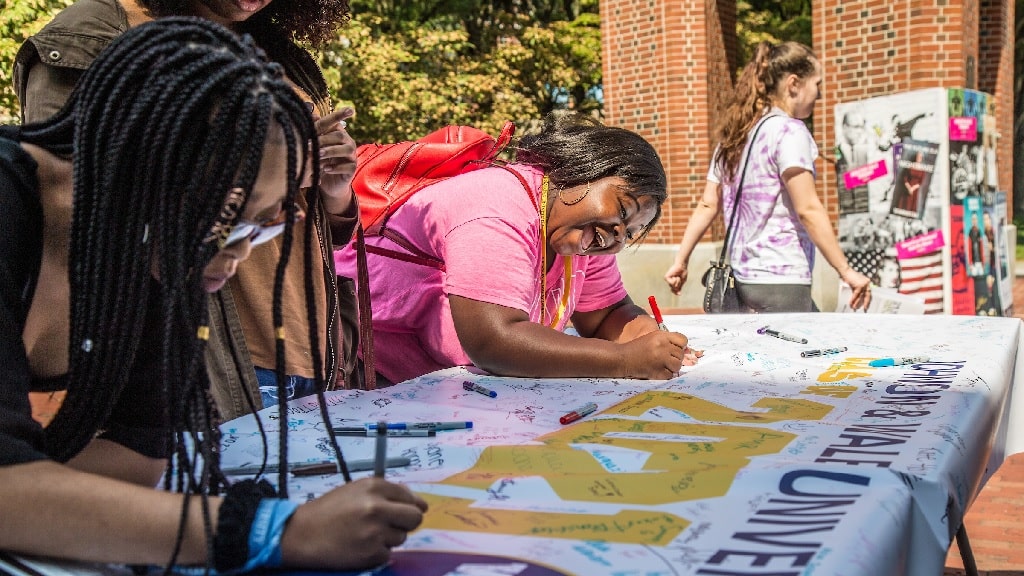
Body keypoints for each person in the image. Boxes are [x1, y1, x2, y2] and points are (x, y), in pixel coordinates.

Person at [0, 18, 425, 572]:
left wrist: (42, 496)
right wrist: (268, 531)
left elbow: (138, 456)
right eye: (228, 217)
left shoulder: (144, 253)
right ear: (141, 163)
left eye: (263, 225)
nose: (240, 253)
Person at [13, 0, 361, 420]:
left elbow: (324, 222)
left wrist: (334, 184)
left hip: (304, 349)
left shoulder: (284, 56)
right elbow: (76, 204)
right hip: (198, 355)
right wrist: (280, 163)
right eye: (246, 221)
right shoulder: (93, 34)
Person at [335, 113, 700, 385]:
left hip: (439, 390)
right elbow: (495, 341)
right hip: (364, 376)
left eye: (632, 232)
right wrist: (626, 361)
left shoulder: (579, 236)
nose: (617, 237)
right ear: (583, 169)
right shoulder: (498, 203)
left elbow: (606, 317)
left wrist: (653, 341)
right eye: (622, 212)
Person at [663, 41, 871, 313]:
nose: (819, 94)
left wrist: (681, 260)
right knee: (802, 353)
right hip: (782, 275)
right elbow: (808, 208)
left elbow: (707, 204)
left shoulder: (734, 137)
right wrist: (845, 270)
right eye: (817, 84)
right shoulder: (789, 132)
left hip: (742, 277)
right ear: (794, 84)